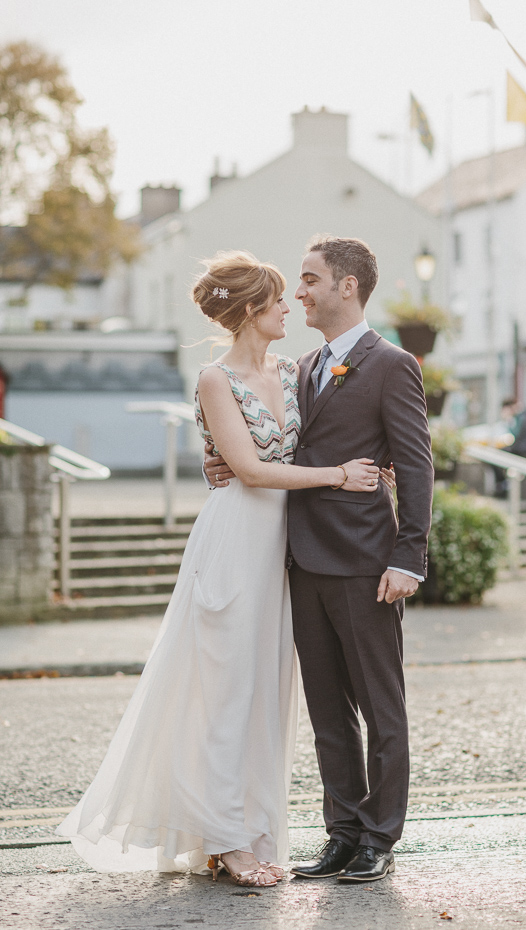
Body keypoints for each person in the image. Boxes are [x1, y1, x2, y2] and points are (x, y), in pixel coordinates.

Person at [56, 250, 383, 887]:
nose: (291, 307)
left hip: (282, 552)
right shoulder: (214, 378)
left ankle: (254, 831)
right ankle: (226, 840)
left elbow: (321, 436)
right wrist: (338, 477)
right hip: (234, 544)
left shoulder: (296, 370)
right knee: (225, 692)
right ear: (251, 311)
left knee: (265, 694)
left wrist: (375, 464)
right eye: (280, 300)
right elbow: (255, 470)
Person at [205, 236, 434, 883]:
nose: (297, 291)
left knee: (381, 710)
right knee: (329, 715)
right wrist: (223, 459)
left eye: (309, 279)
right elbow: (267, 448)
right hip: (300, 563)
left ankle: (379, 838)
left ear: (347, 287)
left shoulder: (393, 364)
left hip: (367, 565)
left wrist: (408, 555)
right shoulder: (299, 367)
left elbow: (415, 465)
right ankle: (342, 832)